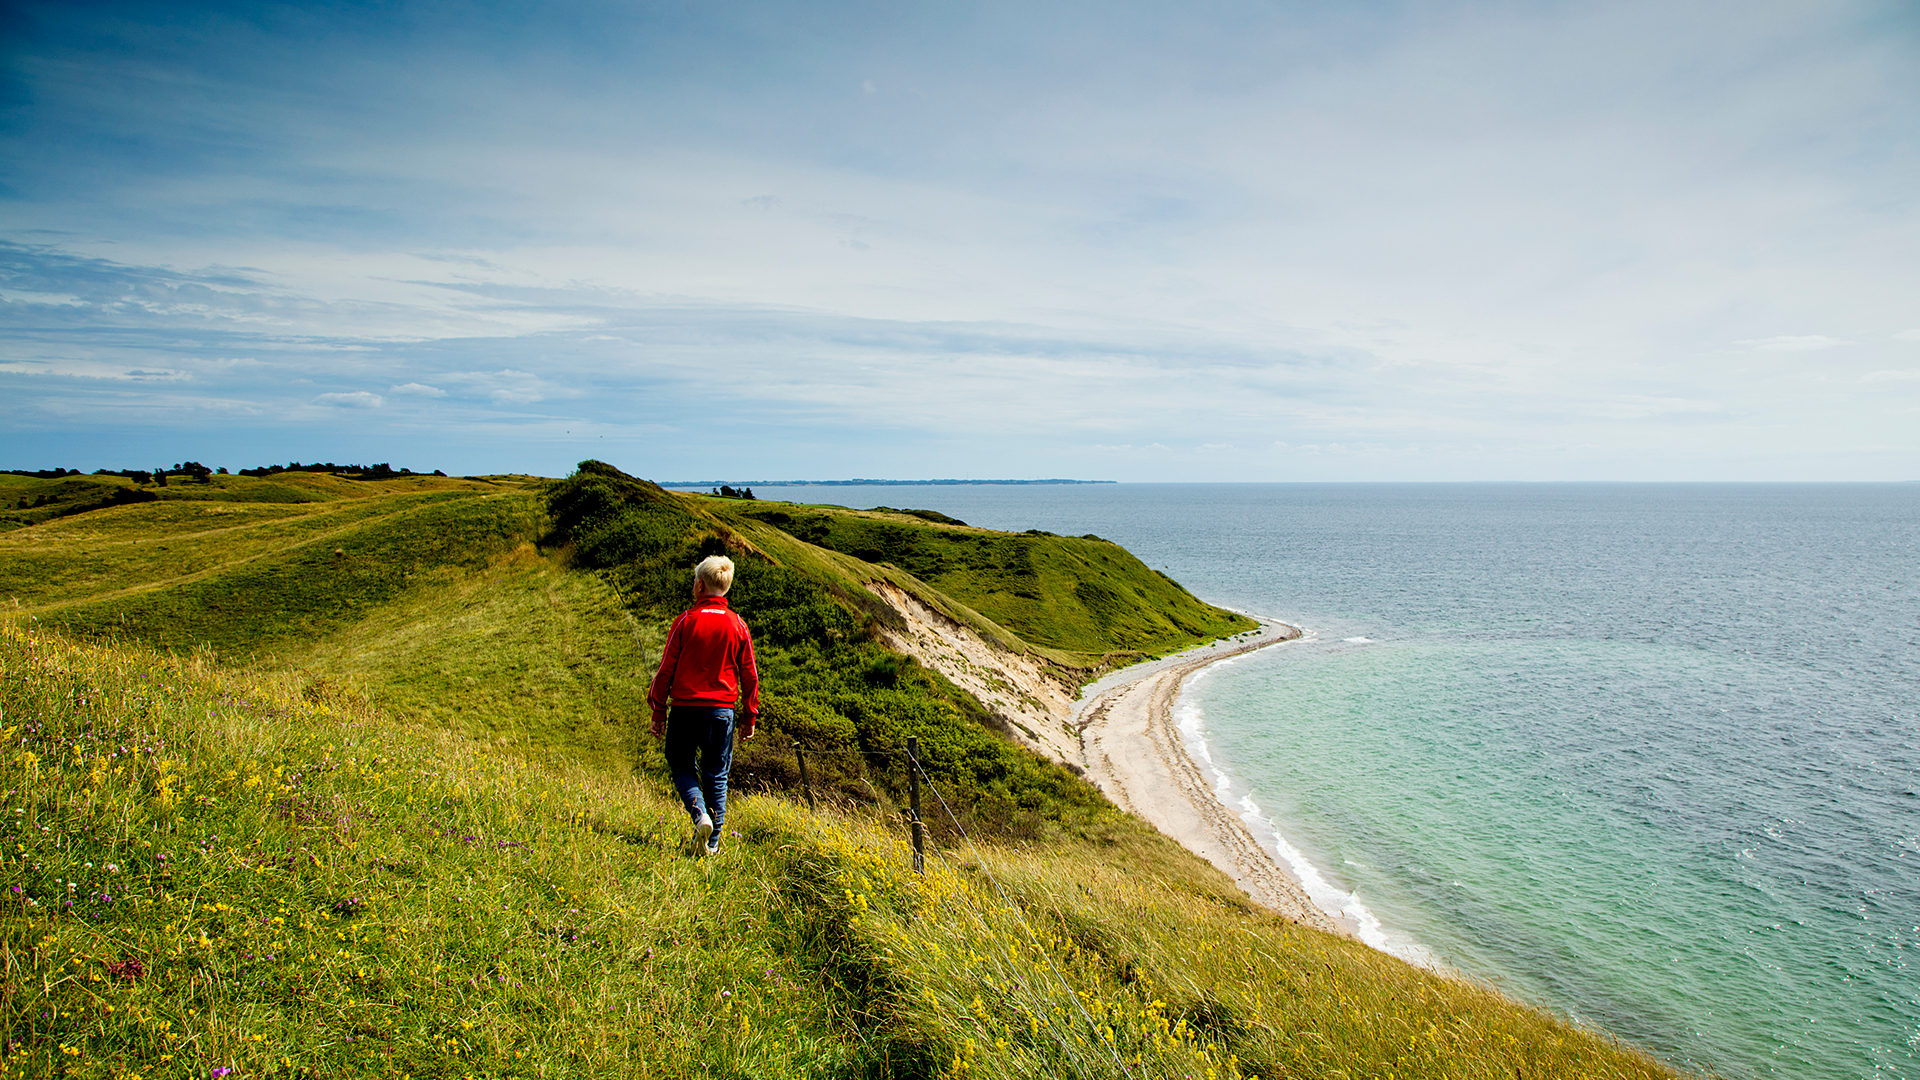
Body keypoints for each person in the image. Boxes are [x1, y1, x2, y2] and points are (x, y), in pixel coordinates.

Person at [648, 554, 760, 856]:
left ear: (699, 585)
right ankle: (712, 844)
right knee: (717, 774)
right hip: (721, 712)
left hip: (685, 709)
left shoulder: (685, 621)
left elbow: (665, 669)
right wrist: (749, 716)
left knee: (681, 764)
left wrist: (658, 710)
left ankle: (699, 815)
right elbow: (750, 674)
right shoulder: (738, 625)